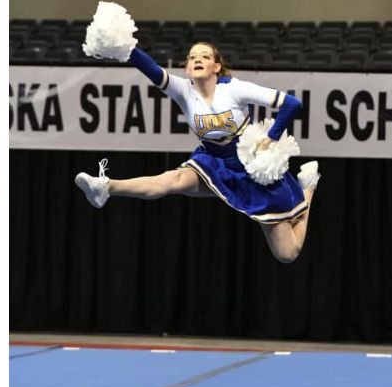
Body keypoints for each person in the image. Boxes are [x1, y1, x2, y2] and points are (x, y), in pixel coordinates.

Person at [75, 43, 319, 263]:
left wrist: (270, 138)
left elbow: (292, 104)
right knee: (173, 180)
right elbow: (150, 68)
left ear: (216, 66)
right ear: (188, 68)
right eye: (192, 57)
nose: (197, 59)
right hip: (213, 164)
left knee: (288, 253)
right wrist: (125, 46)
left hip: (251, 170)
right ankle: (105, 187)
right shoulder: (183, 90)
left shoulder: (234, 89)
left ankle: (307, 187)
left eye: (204, 55)